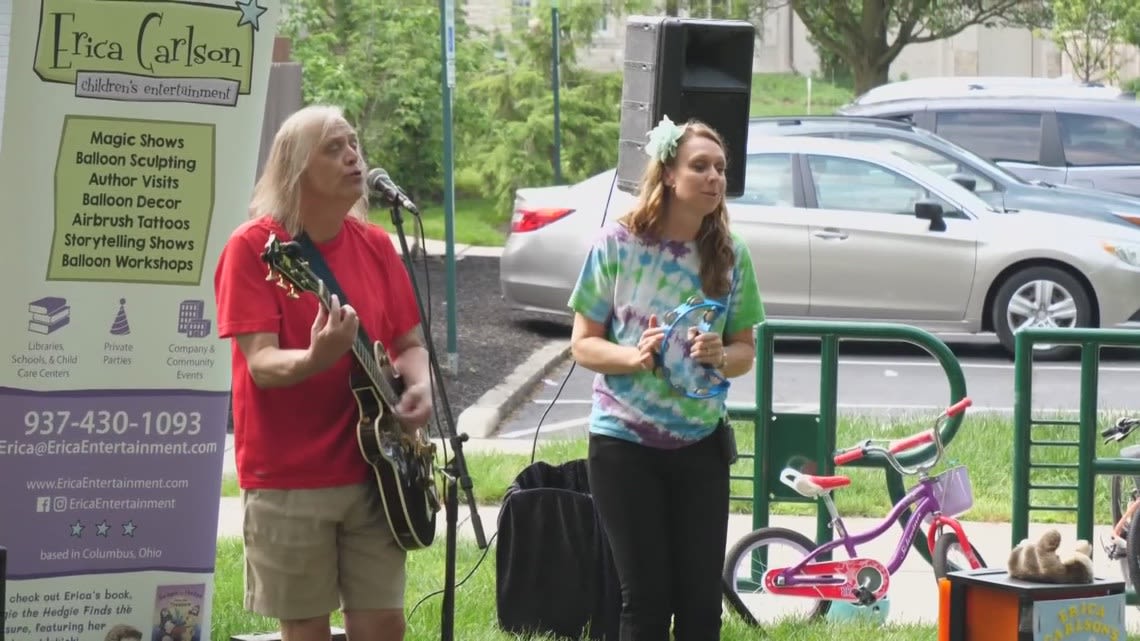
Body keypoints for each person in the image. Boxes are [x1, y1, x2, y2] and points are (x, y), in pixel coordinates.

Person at [213, 105, 433, 641]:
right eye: (333, 148)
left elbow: (408, 343)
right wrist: (314, 358)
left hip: (376, 468)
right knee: (306, 631)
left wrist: (420, 384)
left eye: (353, 143)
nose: (352, 155)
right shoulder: (255, 249)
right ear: (294, 169)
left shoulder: (379, 246)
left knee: (383, 624)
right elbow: (260, 363)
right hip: (290, 474)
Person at [567, 115, 766, 641]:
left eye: (720, 169)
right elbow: (582, 342)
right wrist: (633, 358)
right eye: (699, 166)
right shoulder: (616, 243)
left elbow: (748, 351)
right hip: (623, 444)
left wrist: (722, 354)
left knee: (701, 604)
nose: (714, 178)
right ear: (669, 175)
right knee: (645, 601)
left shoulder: (731, 254)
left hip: (700, 444)